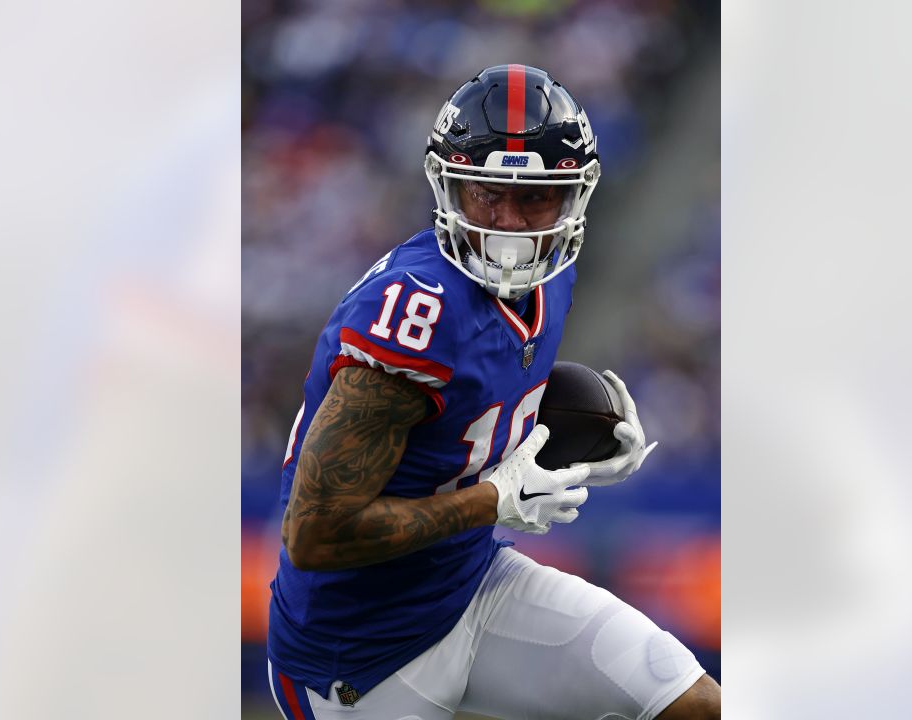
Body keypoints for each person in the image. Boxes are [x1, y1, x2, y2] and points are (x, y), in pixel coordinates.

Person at [267, 64, 721, 720]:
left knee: (693, 702)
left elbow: (475, 398)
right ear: (449, 187)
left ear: (572, 196)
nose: (509, 223)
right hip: (357, 657)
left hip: (470, 583)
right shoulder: (412, 313)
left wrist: (573, 435)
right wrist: (492, 502)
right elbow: (314, 533)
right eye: (487, 193)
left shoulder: (553, 276)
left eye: (534, 198)